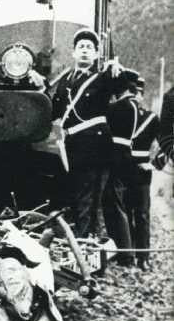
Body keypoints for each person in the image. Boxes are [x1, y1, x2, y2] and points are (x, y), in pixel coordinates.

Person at [50, 28, 136, 238]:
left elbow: (124, 88)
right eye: (81, 47)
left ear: (96, 54)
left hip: (94, 146)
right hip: (69, 144)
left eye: (90, 48)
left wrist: (117, 68)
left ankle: (86, 245)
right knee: (68, 194)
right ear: (74, 53)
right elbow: (55, 110)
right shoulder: (65, 80)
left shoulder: (103, 77)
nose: (85, 51)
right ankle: (70, 242)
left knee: (86, 199)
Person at [102, 74, 138, 265]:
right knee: (116, 201)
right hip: (125, 154)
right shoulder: (133, 106)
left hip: (116, 155)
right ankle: (123, 251)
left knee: (115, 203)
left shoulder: (121, 106)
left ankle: (125, 253)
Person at [125, 77, 160, 270]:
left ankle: (143, 257)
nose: (134, 97)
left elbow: (165, 143)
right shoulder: (120, 115)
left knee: (142, 214)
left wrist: (154, 163)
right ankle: (128, 256)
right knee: (125, 213)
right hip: (122, 169)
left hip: (141, 171)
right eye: (131, 93)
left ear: (142, 95)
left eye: (137, 93)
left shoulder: (151, 118)